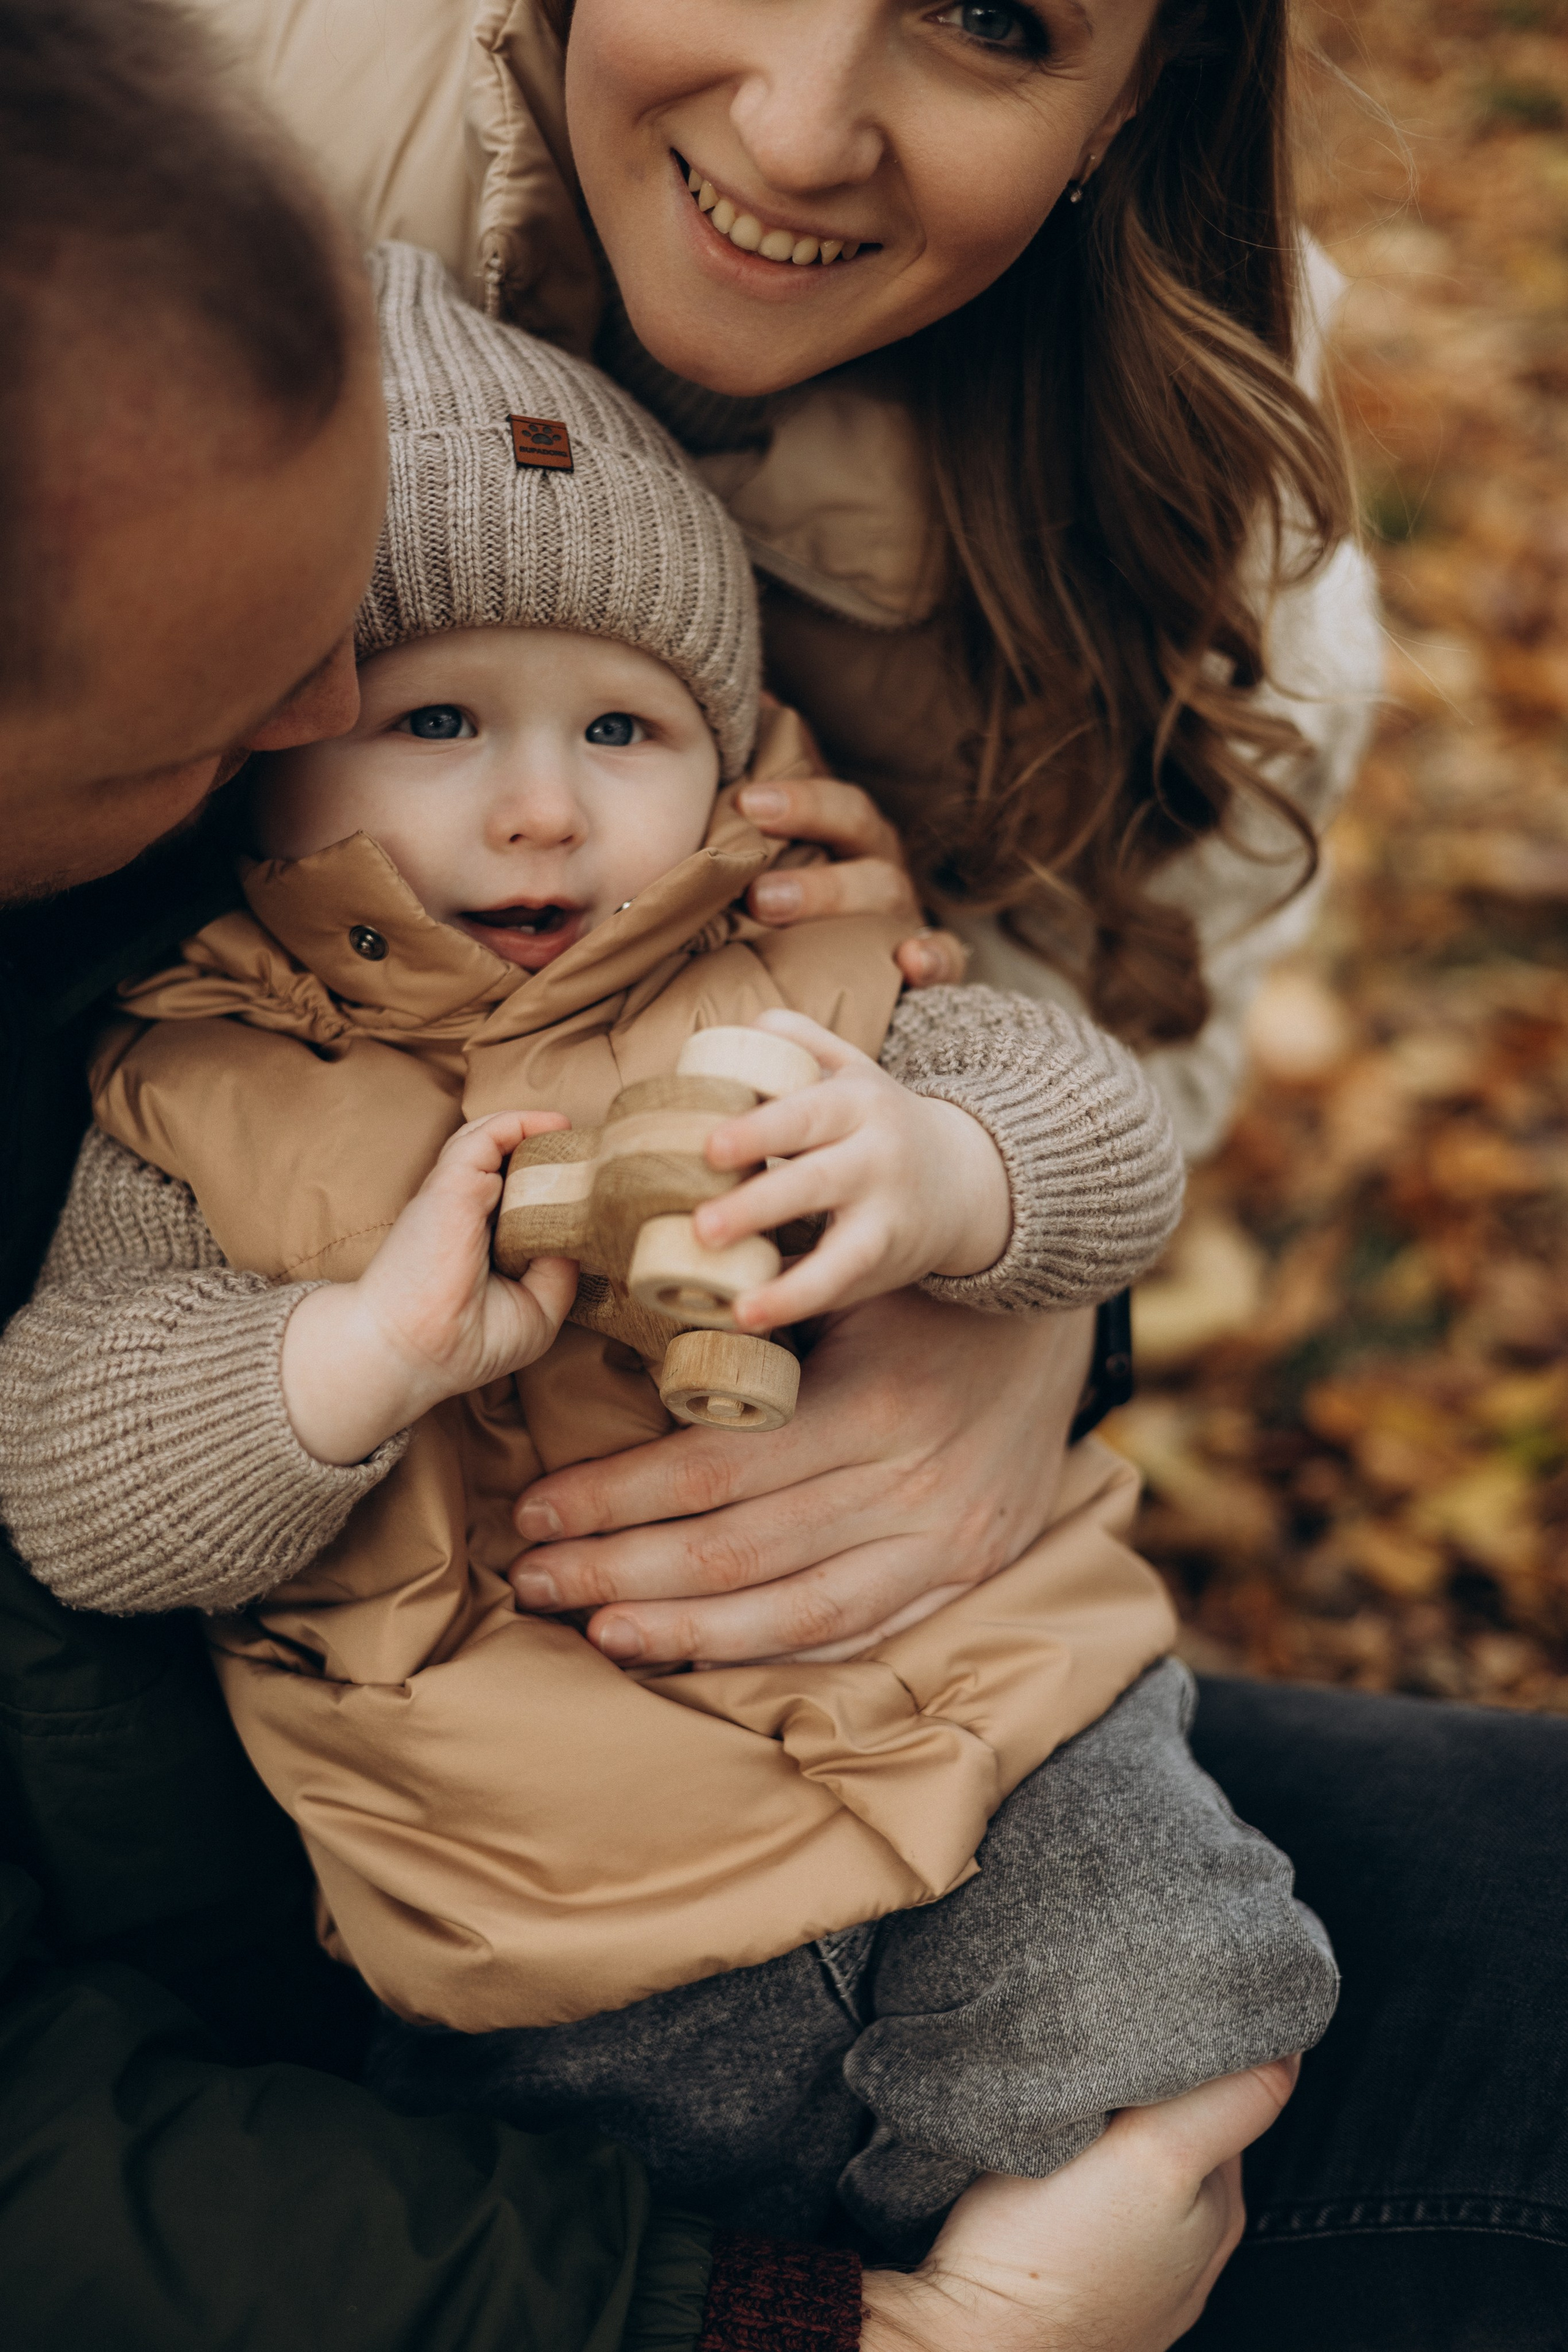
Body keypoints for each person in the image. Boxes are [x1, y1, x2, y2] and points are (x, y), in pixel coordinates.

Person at [0, 2, 1562, 2346]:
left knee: (1239, 2004)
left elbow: (1093, 1106)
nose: (529, 804)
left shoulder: (777, 914)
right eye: (395, 713)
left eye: (619, 732)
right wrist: (339, 1365)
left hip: (968, 1734)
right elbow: (89, 1470)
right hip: (495, 1919)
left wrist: (974, 1234)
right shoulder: (197, 1076)